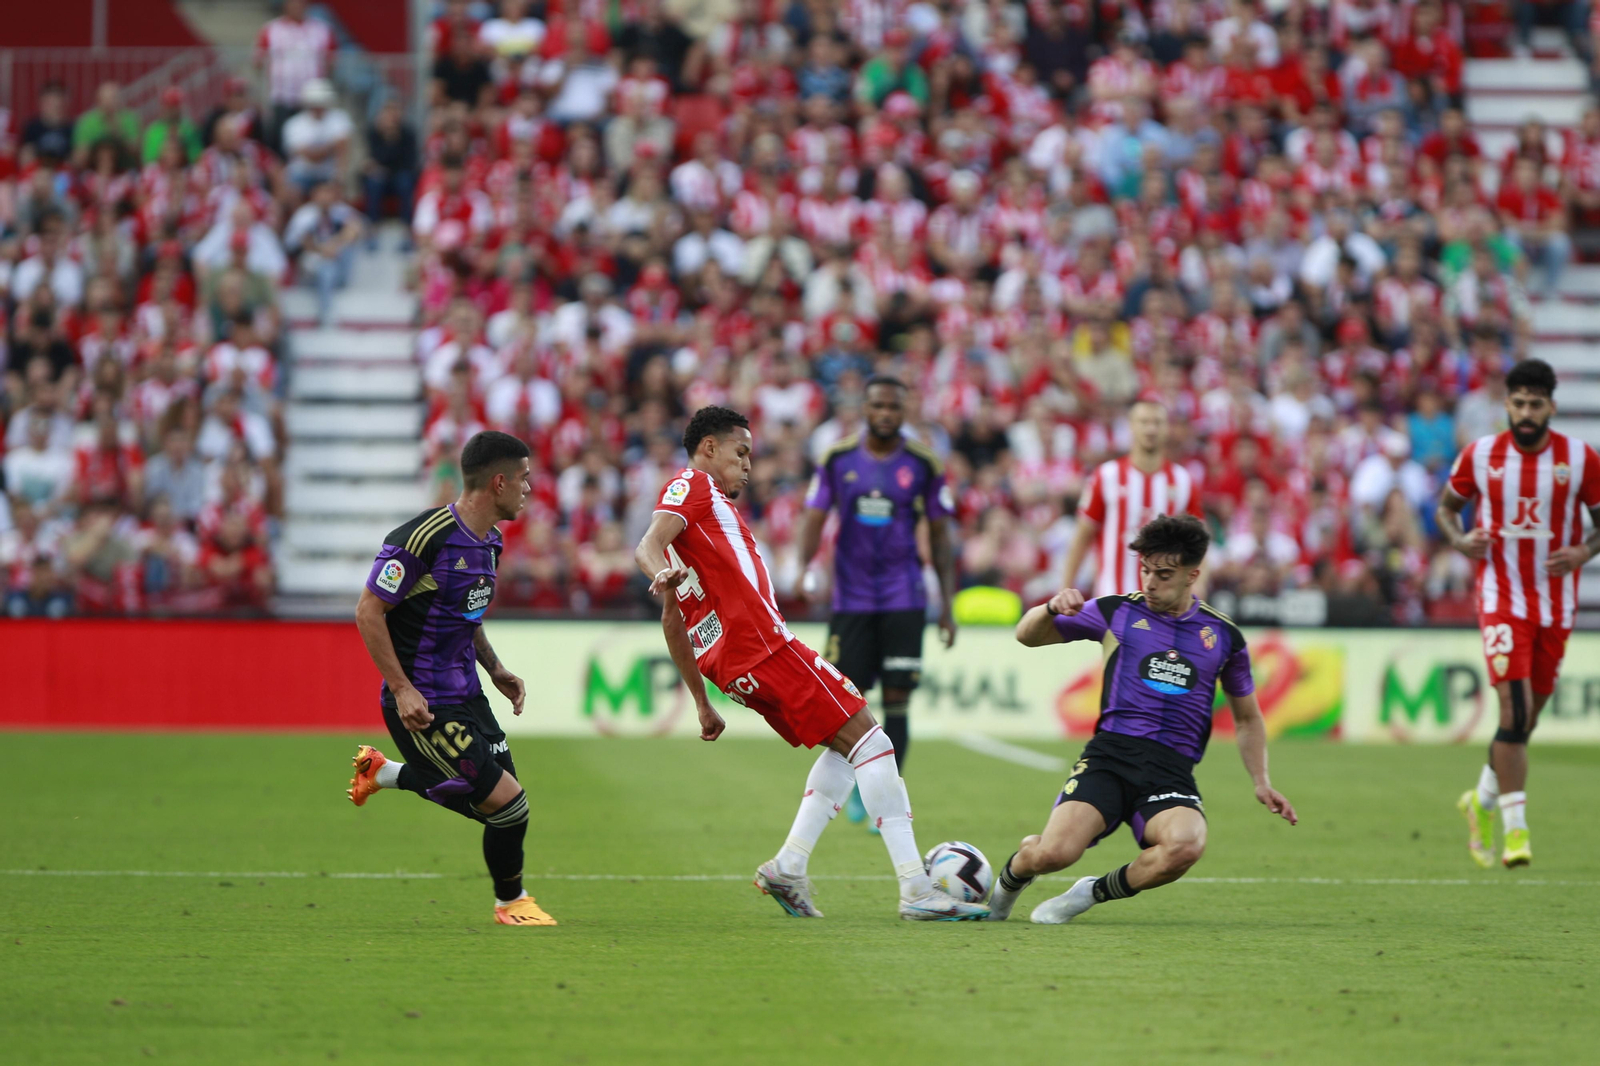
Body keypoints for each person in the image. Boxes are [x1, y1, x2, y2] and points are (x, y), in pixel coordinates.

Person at [634, 406, 988, 921]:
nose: (748, 465)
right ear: (709, 448)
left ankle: (789, 867)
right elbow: (647, 545)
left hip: (730, 662)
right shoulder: (692, 485)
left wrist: (701, 700)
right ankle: (916, 889)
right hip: (762, 646)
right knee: (874, 742)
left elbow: (673, 622)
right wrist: (655, 570)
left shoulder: (703, 528)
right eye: (741, 452)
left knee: (846, 747)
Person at [987, 514, 1298, 923]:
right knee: (1052, 854)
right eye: (1145, 571)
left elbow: (1247, 719)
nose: (1150, 583)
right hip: (1110, 757)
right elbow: (1026, 635)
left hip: (1171, 771)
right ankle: (1008, 884)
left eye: (1164, 574)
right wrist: (1048, 607)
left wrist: (1261, 781)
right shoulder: (1116, 611)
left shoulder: (1224, 637)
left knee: (1186, 846)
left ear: (1193, 575)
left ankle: (1090, 892)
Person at [345, 432, 555, 927]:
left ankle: (385, 773)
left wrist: (495, 667)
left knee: (502, 805)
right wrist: (401, 689)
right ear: (499, 482)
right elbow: (368, 611)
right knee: (508, 806)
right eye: (524, 478)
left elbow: (466, 615)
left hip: (469, 693)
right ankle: (511, 903)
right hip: (424, 702)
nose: (530, 488)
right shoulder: (423, 537)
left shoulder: (491, 541)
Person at [1437, 359, 1600, 869]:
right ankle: (1516, 832)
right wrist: (1462, 541)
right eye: (1518, 403)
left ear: (1551, 406)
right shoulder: (1482, 455)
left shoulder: (1579, 459)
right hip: (1502, 600)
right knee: (1514, 713)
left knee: (1526, 720)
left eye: (1536, 404)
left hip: (1556, 603)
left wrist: (1583, 552)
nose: (1526, 413)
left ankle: (1480, 800)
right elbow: (1446, 508)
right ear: (1506, 404)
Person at [796, 376, 957, 831]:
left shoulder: (924, 463)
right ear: (864, 409)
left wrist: (947, 604)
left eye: (893, 406)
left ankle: (881, 800)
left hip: (904, 597)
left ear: (904, 412)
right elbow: (814, 515)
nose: (885, 413)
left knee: (898, 699)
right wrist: (805, 567)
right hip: (851, 600)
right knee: (847, 703)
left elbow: (942, 537)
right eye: (878, 405)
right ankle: (851, 791)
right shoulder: (838, 458)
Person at [1062, 400, 1205, 595]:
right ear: (1130, 426)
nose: (1151, 429)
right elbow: (1082, 536)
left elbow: (1199, 541)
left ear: (1167, 429)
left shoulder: (1183, 481)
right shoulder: (1106, 476)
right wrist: (1065, 588)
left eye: (1157, 423)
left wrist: (1199, 587)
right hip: (1113, 598)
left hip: (1166, 601)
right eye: (1144, 422)